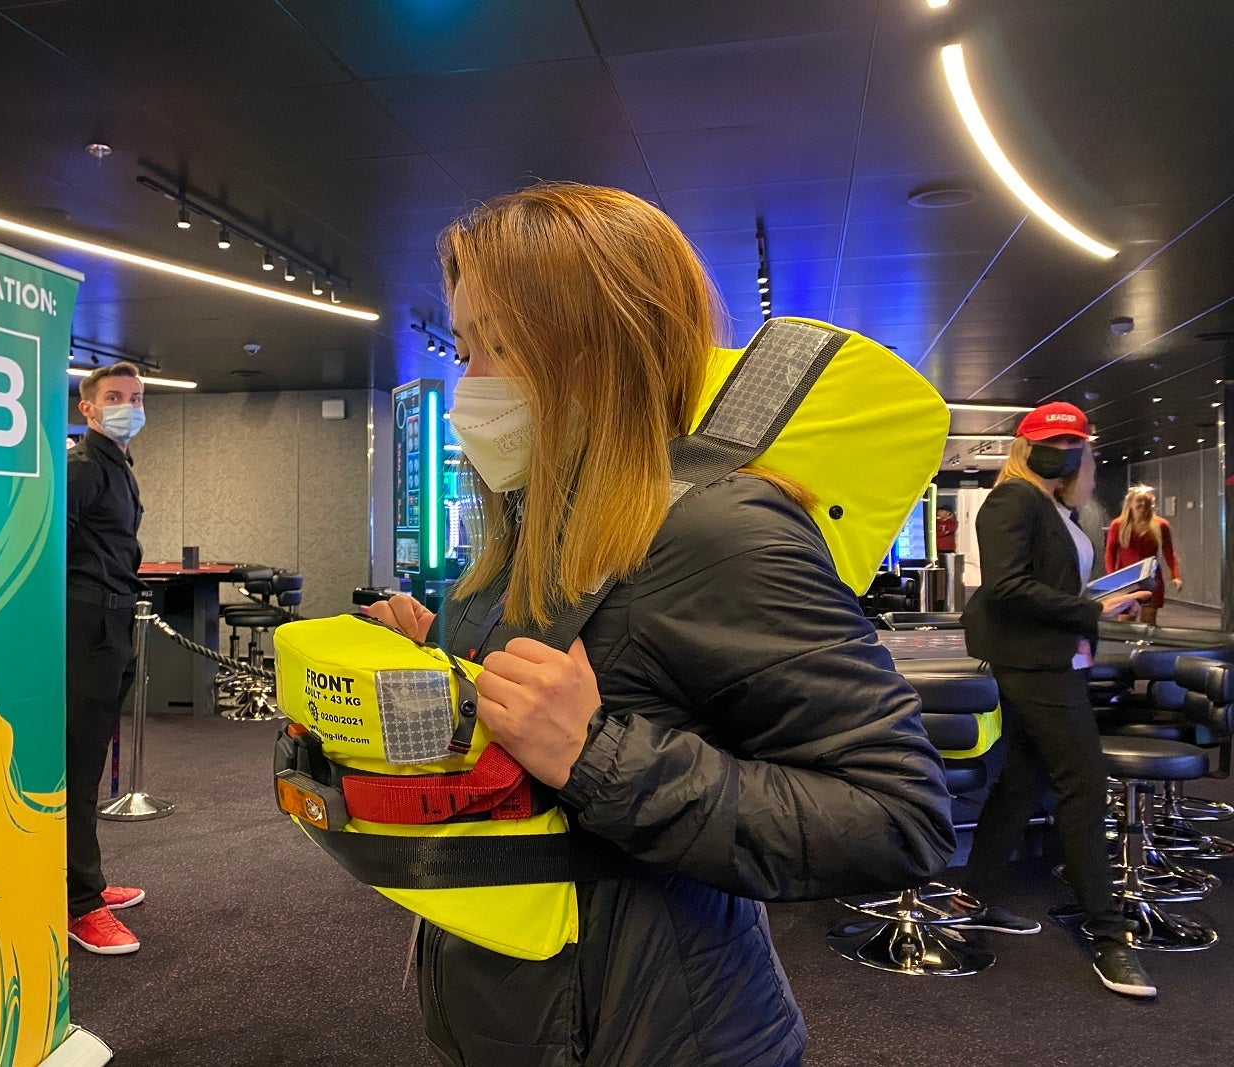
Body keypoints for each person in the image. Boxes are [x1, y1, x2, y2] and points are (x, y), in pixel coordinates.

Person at [366, 184, 955, 1065]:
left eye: (501, 344)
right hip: (527, 1013)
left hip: (659, 1035)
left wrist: (593, 754)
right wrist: (435, 667)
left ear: (598, 350)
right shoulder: (537, 530)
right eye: (465, 344)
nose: (470, 383)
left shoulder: (718, 530)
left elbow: (898, 815)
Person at [954, 402, 1157, 997]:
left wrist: (1095, 602)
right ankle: (1109, 937)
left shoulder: (1053, 507)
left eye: (1074, 443)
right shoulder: (1014, 499)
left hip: (1054, 657)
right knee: (1084, 786)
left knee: (1023, 780)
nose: (1065, 452)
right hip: (1035, 663)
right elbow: (1008, 587)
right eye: (1054, 441)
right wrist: (1090, 609)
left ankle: (974, 896)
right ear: (1027, 445)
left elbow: (1044, 583)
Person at [66, 362, 150, 955]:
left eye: (137, 398)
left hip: (113, 621)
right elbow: (50, 546)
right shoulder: (83, 466)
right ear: (88, 408)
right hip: (85, 625)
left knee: (90, 763)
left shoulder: (117, 464)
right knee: (76, 768)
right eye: (115, 397)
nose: (129, 406)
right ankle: (79, 904)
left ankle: (85, 881)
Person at [1105, 486, 1182, 626]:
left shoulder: (1161, 525)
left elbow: (1169, 552)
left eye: (1147, 501)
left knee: (1149, 620)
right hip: (1127, 579)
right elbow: (1110, 553)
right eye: (1139, 500)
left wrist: (1175, 575)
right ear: (1130, 503)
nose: (1143, 504)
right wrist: (1113, 579)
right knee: (1125, 621)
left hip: (1151, 578)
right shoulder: (1118, 525)